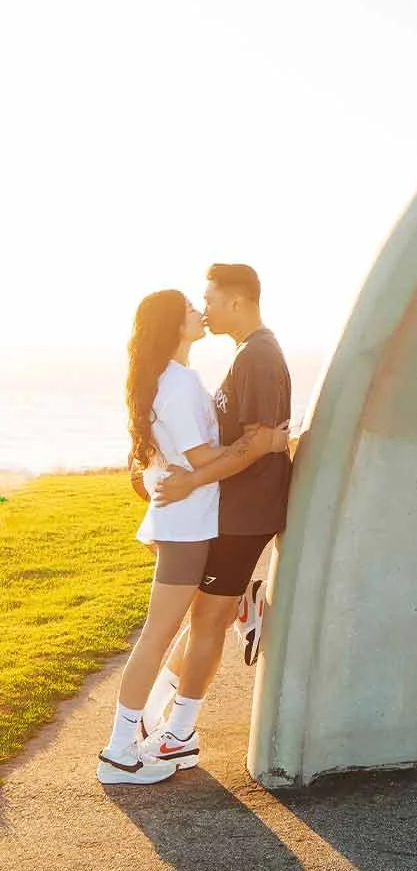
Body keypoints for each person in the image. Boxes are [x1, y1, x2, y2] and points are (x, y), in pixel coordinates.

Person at [138, 263, 292, 772]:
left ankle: (179, 732)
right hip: (231, 510)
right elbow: (247, 439)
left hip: (246, 513)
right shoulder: (246, 355)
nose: (203, 308)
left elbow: (252, 447)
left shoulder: (260, 357)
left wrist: (191, 481)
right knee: (206, 617)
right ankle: (158, 712)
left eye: (209, 297)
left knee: (206, 621)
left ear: (237, 301)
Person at [97, 290, 221, 784]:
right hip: (187, 527)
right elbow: (202, 459)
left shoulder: (167, 380)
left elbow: (165, 460)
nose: (199, 312)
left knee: (186, 627)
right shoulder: (181, 382)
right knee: (157, 634)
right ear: (173, 325)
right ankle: (119, 751)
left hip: (184, 524)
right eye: (190, 307)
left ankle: (146, 722)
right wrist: (270, 442)